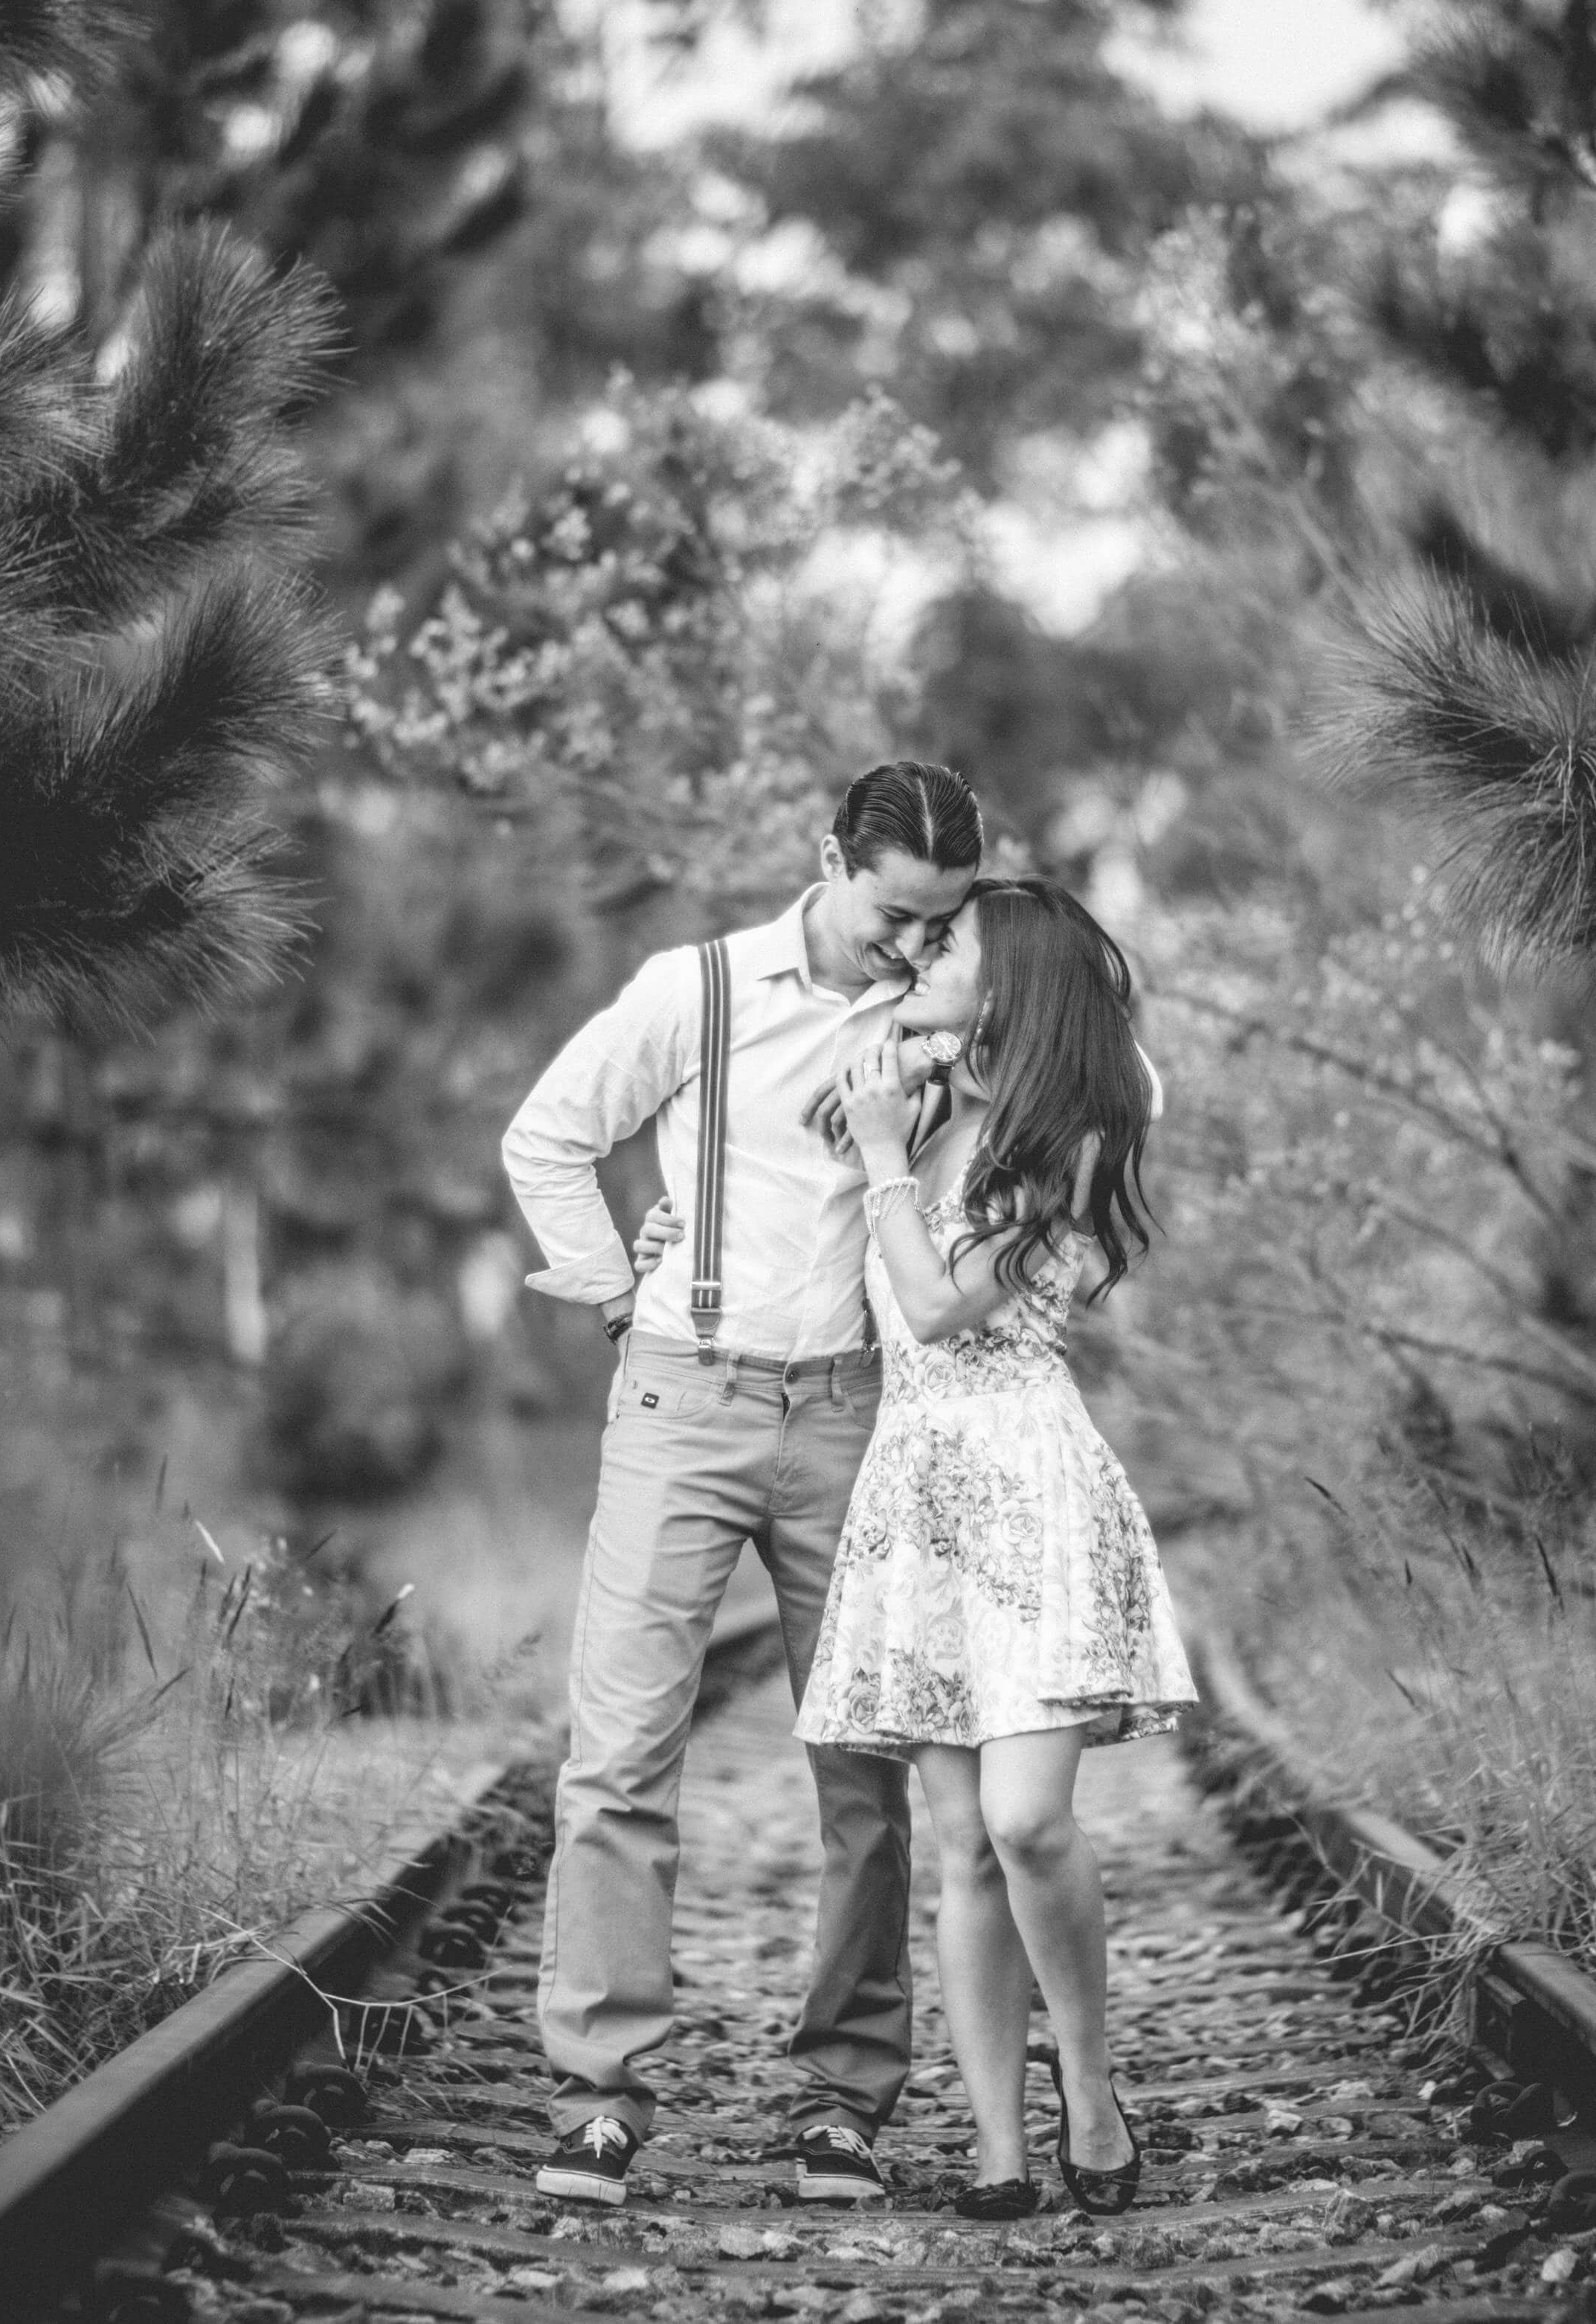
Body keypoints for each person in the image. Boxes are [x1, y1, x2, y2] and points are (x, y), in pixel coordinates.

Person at [497, 762, 986, 2210]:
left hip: (853, 1414)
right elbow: (549, 1137)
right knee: (619, 1753)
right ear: (830, 857)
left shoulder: (948, 1015)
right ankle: (597, 2094)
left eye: (943, 922)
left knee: (865, 1775)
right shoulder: (694, 990)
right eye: (900, 913)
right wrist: (603, 1291)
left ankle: (846, 2100)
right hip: (679, 1401)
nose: (916, 944)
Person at [793, 877, 1197, 2221]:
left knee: (1028, 1821)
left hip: (1027, 1480)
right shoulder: (912, 1105)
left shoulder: (1071, 1135)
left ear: (1010, 980)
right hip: (917, 1488)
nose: (918, 953)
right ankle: (997, 2144)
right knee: (960, 1840)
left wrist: (890, 1149)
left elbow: (934, 1297)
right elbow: (798, 1202)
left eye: (948, 942)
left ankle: (1089, 2086)